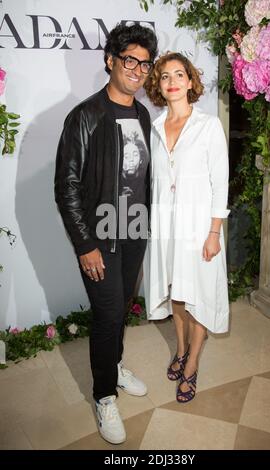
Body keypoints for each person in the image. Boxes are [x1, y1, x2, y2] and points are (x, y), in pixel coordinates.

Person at [55, 23, 158, 444]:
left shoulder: (142, 113)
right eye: (129, 59)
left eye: (144, 63)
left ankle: (114, 365)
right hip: (100, 237)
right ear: (110, 61)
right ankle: (103, 395)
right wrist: (85, 245)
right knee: (108, 314)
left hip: (135, 232)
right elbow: (67, 187)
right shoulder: (86, 116)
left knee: (121, 309)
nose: (137, 69)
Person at [144, 52, 230, 403]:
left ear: (191, 82)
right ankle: (180, 350)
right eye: (165, 77)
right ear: (159, 87)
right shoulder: (155, 127)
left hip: (200, 228)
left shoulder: (208, 125)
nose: (173, 81)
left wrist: (213, 233)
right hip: (167, 225)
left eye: (180, 75)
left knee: (200, 296)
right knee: (176, 293)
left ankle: (192, 363)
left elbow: (220, 183)